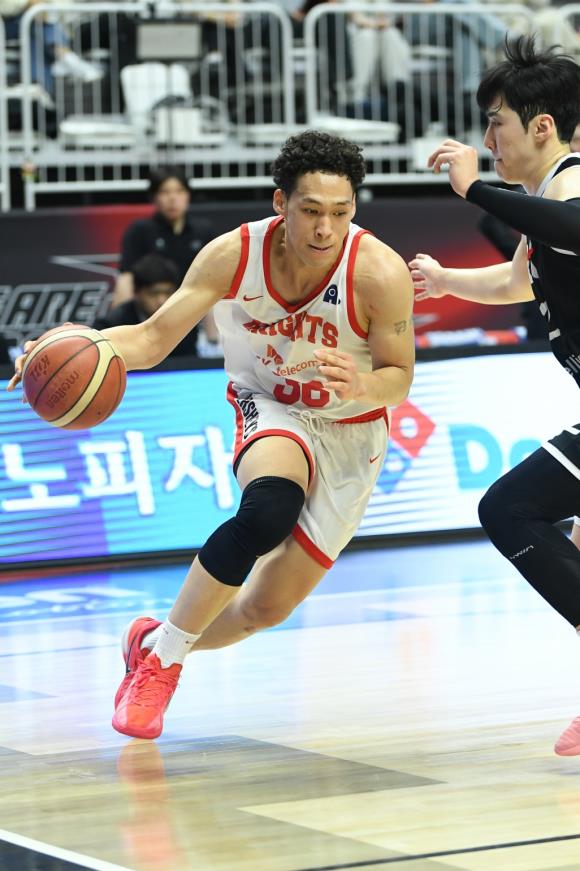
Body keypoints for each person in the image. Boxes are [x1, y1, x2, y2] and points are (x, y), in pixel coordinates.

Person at [8, 130, 415, 740]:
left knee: (264, 609)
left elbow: (399, 379)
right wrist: (68, 344)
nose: (325, 229)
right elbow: (150, 339)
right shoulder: (233, 254)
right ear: (280, 203)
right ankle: (163, 669)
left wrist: (361, 382)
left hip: (353, 430)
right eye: (311, 211)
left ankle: (154, 643)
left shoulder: (379, 272)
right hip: (269, 402)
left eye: (341, 212)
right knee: (269, 507)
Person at [408, 35, 580, 756]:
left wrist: (477, 190)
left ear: (541, 126)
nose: (486, 141)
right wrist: (446, 280)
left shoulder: (572, 185)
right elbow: (517, 280)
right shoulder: (546, 198)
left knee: (509, 508)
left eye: (496, 123)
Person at [111, 166, 217, 353]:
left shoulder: (203, 232)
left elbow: (212, 284)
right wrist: (120, 330)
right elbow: (126, 279)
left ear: (188, 195)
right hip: (149, 321)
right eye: (165, 192)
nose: (172, 198)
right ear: (154, 197)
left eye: (179, 191)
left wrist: (214, 339)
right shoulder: (140, 231)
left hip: (187, 320)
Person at [93, 254, 197, 359]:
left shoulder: (185, 322)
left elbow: (189, 363)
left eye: (168, 292)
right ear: (137, 293)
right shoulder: (111, 326)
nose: (162, 300)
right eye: (154, 293)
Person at [0, 0, 103, 96]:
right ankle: (67, 59)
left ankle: (39, 86)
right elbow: (5, 7)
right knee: (40, 23)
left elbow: (64, 8)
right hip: (8, 24)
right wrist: (27, 4)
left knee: (40, 30)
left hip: (37, 25)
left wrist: (44, 10)